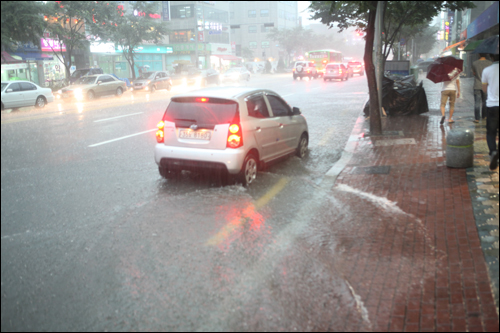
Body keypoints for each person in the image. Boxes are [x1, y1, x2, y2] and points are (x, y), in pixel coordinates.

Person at [481, 54, 499, 170]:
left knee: (491, 132)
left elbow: (484, 89)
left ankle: (493, 151)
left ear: (492, 58)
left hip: (492, 105)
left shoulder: (486, 70)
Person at [472, 53, 492, 123]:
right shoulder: (490, 63)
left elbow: (474, 73)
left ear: (479, 55)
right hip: (486, 85)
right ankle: (485, 116)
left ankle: (477, 118)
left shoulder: (474, 63)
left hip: (477, 84)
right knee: (485, 101)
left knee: (477, 102)